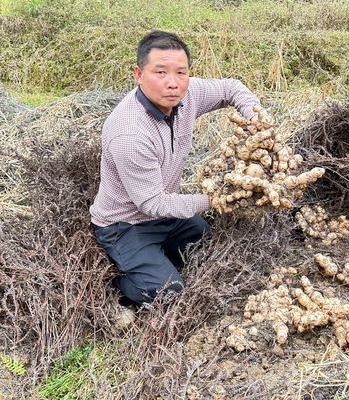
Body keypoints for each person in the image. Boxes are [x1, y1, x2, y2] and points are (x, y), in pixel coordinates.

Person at [90, 30, 259, 307]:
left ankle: (155, 263)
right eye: (160, 72)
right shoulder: (129, 134)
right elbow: (152, 204)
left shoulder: (186, 94)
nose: (173, 84)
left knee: (212, 249)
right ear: (139, 74)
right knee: (169, 293)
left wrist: (257, 119)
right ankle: (117, 284)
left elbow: (231, 88)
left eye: (181, 73)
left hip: (166, 213)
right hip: (126, 224)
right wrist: (215, 200)